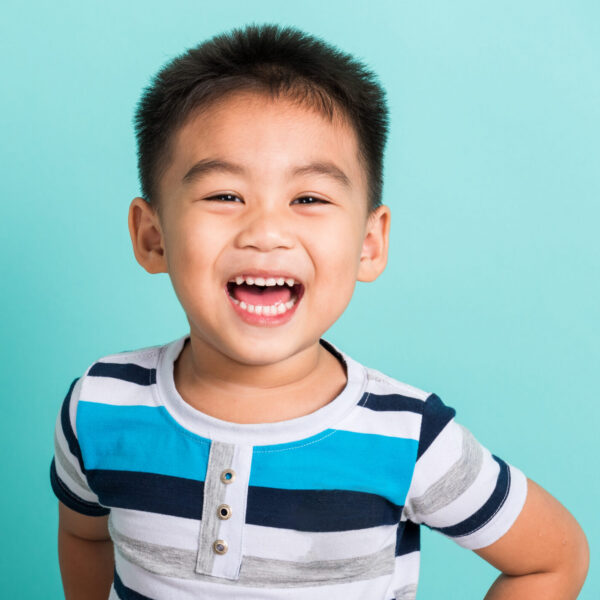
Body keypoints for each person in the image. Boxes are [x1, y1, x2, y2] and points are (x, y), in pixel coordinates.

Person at [50, 23, 589, 600]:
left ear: (368, 243)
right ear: (153, 237)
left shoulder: (410, 438)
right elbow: (83, 536)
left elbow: (552, 561)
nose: (267, 232)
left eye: (308, 198)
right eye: (224, 195)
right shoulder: (99, 406)